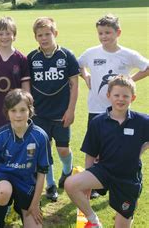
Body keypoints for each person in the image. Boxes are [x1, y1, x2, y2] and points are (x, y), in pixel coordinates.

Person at [78, 14, 149, 199]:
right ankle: (94, 184)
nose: (103, 37)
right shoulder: (91, 52)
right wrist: (86, 77)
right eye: (100, 33)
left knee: (117, 149)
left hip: (119, 113)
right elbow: (77, 65)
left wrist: (128, 81)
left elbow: (147, 67)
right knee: (95, 149)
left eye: (108, 32)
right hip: (96, 109)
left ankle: (117, 180)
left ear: (118, 32)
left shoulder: (127, 54)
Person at [65, 75, 149, 228]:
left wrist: (141, 149)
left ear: (133, 98)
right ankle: (94, 221)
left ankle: (127, 216)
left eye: (125, 96)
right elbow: (90, 153)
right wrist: (87, 185)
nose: (121, 99)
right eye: (116, 95)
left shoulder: (142, 121)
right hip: (104, 171)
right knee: (70, 184)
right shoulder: (98, 122)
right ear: (108, 96)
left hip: (128, 178)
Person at [27, 17, 79, 202]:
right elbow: (27, 86)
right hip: (40, 114)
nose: (44, 38)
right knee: (44, 151)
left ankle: (67, 171)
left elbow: (74, 84)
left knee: (63, 149)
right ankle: (50, 185)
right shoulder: (32, 58)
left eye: (47, 34)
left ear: (55, 34)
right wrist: (29, 110)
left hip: (61, 113)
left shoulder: (66, 56)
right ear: (35, 37)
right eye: (40, 35)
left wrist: (71, 110)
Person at [0, 17, 30, 201]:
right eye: (1, 33)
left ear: (14, 35)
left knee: (15, 149)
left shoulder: (21, 58)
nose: (4, 36)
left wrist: (27, 109)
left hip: (15, 114)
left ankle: (14, 183)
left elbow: (26, 89)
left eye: (8, 33)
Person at [0, 89, 51, 228]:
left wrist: (34, 204)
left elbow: (42, 173)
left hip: (27, 184)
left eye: (22, 110)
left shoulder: (40, 136)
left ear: (30, 111)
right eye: (13, 110)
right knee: (4, 191)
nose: (18, 115)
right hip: (5, 179)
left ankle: (19, 208)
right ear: (7, 112)